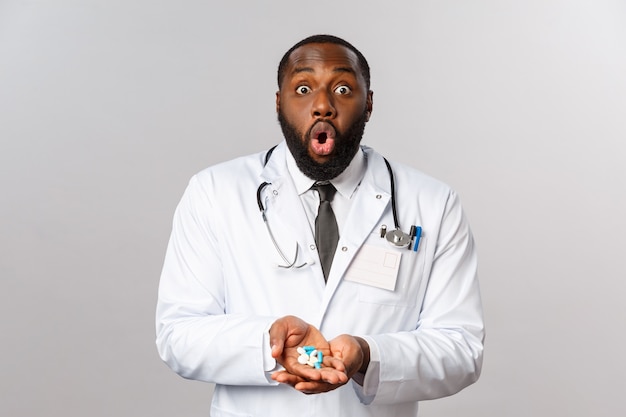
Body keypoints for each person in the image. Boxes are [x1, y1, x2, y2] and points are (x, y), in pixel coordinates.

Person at [156, 34, 484, 416]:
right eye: (303, 88)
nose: (323, 105)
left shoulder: (432, 203)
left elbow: (461, 347)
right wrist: (269, 344)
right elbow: (178, 335)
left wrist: (368, 355)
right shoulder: (214, 192)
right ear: (279, 103)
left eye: (343, 88)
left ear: (369, 104)